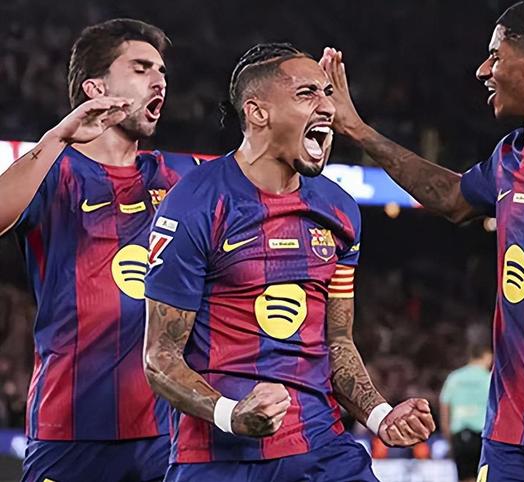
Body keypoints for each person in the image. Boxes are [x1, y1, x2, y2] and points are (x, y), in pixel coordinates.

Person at [320, 1, 524, 480]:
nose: (483, 70)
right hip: (511, 430)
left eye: (495, 55)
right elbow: (450, 196)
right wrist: (358, 130)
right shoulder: (508, 158)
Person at [142, 42, 436, 482]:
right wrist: (231, 414)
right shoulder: (195, 203)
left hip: (321, 450)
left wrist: (379, 415)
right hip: (219, 460)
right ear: (258, 112)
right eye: (307, 93)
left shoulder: (339, 210)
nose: (328, 107)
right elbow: (160, 356)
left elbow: (337, 341)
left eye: (327, 93)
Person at [0, 19, 199, 482]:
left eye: (162, 71)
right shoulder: (55, 170)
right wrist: (57, 138)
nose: (159, 80)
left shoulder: (179, 176)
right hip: (70, 427)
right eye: (141, 68)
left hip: (167, 432)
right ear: (96, 88)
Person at [440, 342, 492, 482]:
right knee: (483, 477)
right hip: (482, 434)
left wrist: (448, 435)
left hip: (459, 435)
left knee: (464, 477)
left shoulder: (454, 378)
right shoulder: (489, 378)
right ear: (486, 356)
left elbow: (444, 407)